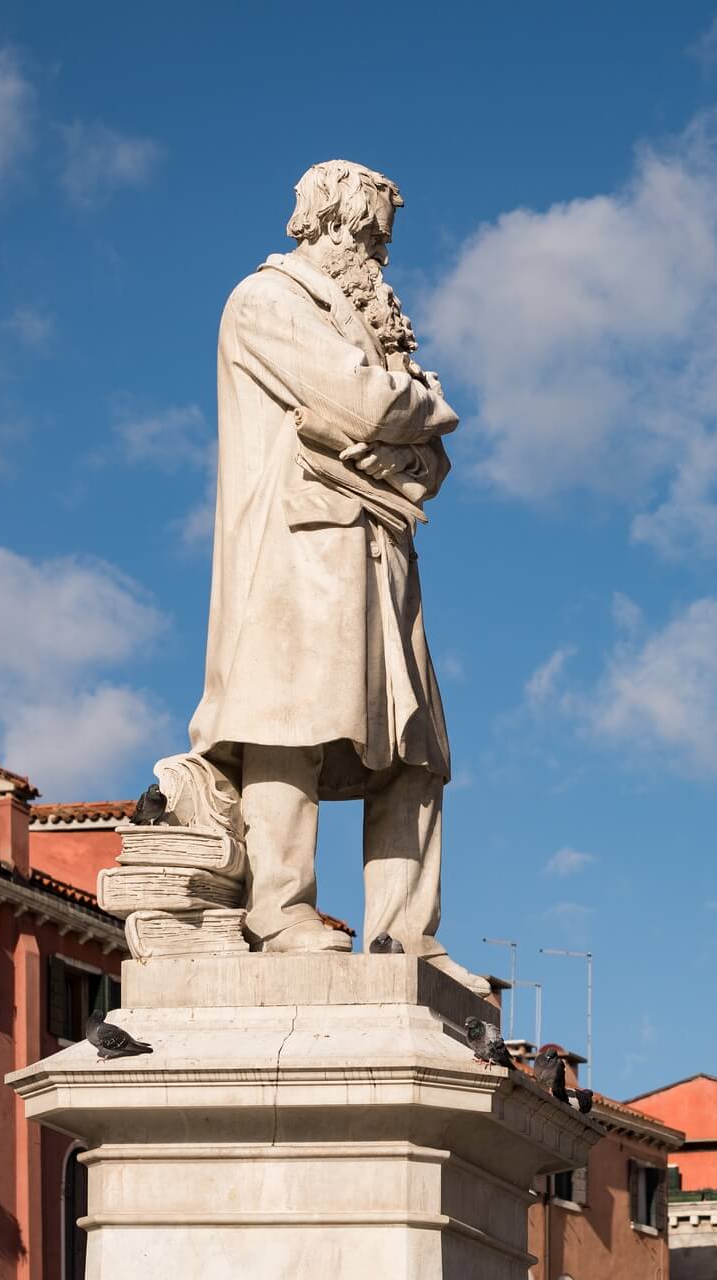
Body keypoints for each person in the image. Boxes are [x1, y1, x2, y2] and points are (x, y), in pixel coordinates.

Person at [189, 159, 457, 956]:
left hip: (382, 554)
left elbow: (430, 466)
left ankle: (406, 934)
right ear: (324, 224)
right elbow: (370, 400)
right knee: (286, 721)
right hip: (298, 548)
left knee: (419, 749)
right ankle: (279, 909)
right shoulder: (267, 301)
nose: (374, 253)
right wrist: (422, 408)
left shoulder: (373, 327)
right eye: (364, 233)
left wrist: (397, 444)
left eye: (381, 239)